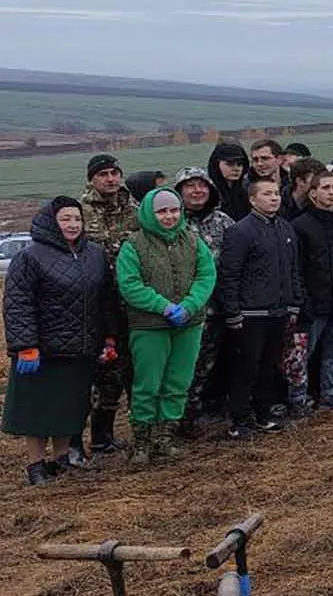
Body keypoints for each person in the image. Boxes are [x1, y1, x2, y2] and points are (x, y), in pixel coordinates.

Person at [4, 197, 109, 485]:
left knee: (69, 406)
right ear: (51, 221)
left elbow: (104, 301)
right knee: (37, 411)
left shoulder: (95, 255)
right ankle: (36, 465)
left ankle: (62, 459)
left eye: (77, 219)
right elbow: (18, 303)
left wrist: (108, 338)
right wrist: (25, 346)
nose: (73, 224)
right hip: (41, 351)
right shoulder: (31, 256)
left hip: (80, 349)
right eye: (66, 219)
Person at [115, 188, 216, 464]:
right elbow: (129, 284)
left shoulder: (193, 242)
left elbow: (206, 275)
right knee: (148, 383)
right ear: (150, 213)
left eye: (174, 210)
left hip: (189, 324)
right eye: (162, 211)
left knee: (178, 382)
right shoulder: (133, 245)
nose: (169, 216)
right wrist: (163, 306)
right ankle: (141, 441)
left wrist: (190, 305)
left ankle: (164, 437)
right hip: (149, 326)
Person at [217, 179, 304, 438]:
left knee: (269, 366)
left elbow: (293, 269)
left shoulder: (286, 229)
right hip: (250, 314)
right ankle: (240, 419)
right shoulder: (240, 232)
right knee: (247, 368)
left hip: (278, 311)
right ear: (253, 200)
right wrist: (232, 311)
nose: (274, 198)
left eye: (276, 193)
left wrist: (295, 301)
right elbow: (229, 274)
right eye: (267, 194)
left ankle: (264, 414)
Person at [79, 153, 138, 457]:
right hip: (98, 305)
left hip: (132, 302)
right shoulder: (80, 211)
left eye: (115, 172)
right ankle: (99, 438)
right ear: (92, 179)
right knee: (106, 374)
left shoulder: (133, 208)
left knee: (133, 370)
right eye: (103, 174)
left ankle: (140, 431)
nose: (111, 179)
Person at [171, 166, 235, 436]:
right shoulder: (171, 221)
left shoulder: (224, 222)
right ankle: (172, 420)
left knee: (205, 366)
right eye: (190, 186)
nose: (197, 191)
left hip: (218, 308)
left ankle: (192, 417)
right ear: (178, 192)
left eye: (202, 186)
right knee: (180, 367)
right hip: (182, 310)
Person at [293, 172, 333, 409]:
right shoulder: (301, 225)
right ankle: (298, 397)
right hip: (312, 302)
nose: (331, 192)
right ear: (313, 193)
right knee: (303, 354)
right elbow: (297, 267)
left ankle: (330, 393)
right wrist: (302, 300)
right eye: (326, 187)